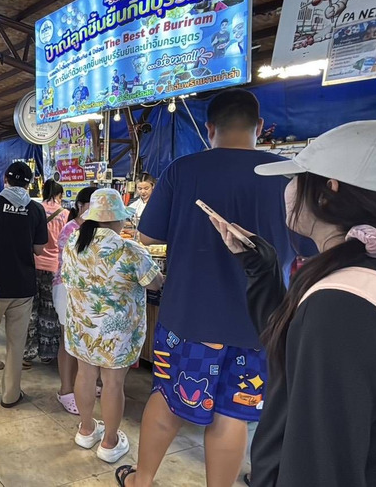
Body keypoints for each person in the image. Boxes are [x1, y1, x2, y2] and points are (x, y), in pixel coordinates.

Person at [209, 119, 376, 487]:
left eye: (298, 177)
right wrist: (262, 267)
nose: (290, 188)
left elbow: (319, 464)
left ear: (328, 191)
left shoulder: (344, 305)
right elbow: (295, 351)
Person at [118, 89, 298, 487]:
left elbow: (147, 236)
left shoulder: (182, 170)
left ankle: (141, 481)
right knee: (233, 414)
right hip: (259, 323)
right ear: (260, 127)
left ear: (210, 128)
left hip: (189, 317)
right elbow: (309, 244)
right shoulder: (289, 174)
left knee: (170, 398)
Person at [62, 189, 164, 464]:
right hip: (117, 332)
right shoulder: (129, 249)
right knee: (113, 383)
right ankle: (109, 442)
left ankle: (86, 430)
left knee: (85, 376)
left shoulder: (73, 242)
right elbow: (155, 284)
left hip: (82, 326)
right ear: (118, 219)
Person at [0, 161, 48, 407]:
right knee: (16, 344)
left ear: (5, 179)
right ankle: (10, 395)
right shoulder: (36, 209)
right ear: (29, 183)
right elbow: (39, 249)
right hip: (22, 285)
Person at [54, 186, 98, 415]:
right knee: (68, 342)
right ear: (80, 205)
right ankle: (65, 390)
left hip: (86, 292)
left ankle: (83, 384)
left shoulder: (96, 229)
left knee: (82, 341)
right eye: (93, 203)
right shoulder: (70, 229)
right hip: (66, 289)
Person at [25, 179, 66, 364]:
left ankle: (27, 352)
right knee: (50, 311)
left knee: (31, 309)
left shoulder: (34, 210)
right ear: (59, 195)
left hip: (33, 264)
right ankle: (48, 354)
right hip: (54, 267)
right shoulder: (65, 214)